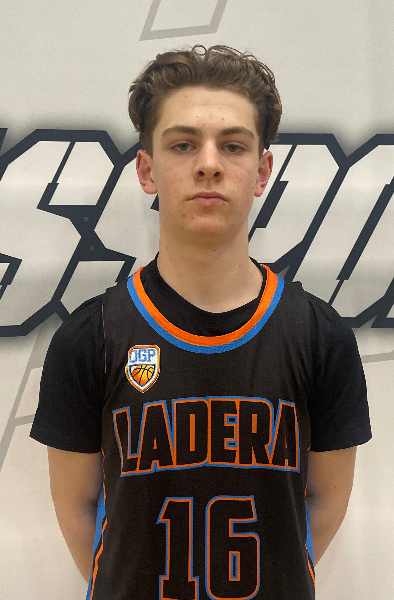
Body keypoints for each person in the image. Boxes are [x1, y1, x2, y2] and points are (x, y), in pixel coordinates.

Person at [30, 44, 372, 600]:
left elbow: (325, 502)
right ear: (147, 170)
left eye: (232, 145)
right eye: (183, 144)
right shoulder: (89, 338)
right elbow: (78, 507)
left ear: (261, 172)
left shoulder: (320, 335)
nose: (208, 163)